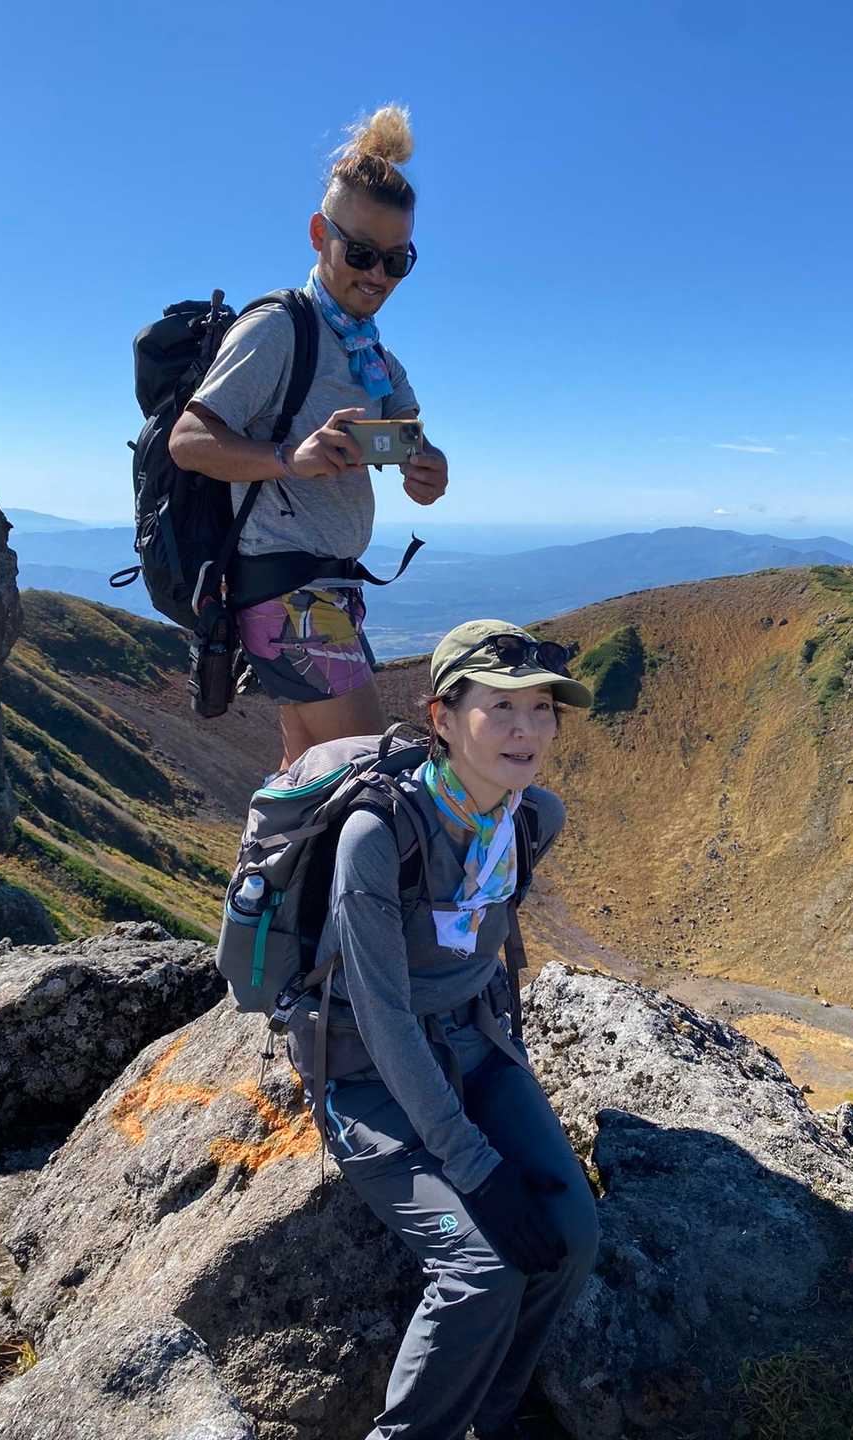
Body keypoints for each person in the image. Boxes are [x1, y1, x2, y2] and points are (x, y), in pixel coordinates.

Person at [287, 619, 600, 1440]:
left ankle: (495, 1415)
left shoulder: (532, 819)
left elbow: (480, 944)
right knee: (481, 1271)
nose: (527, 730)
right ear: (442, 718)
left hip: (475, 1044)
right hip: (366, 1068)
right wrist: (478, 1167)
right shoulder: (377, 836)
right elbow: (384, 1016)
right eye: (502, 708)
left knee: (572, 1238)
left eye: (543, 709)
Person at [169, 105, 448, 768]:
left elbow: (412, 447)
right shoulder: (276, 329)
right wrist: (288, 458)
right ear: (321, 234)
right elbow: (188, 439)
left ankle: (272, 843)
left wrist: (427, 470)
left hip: (328, 592)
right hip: (288, 591)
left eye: (396, 260)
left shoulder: (373, 357)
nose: (377, 275)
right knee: (373, 773)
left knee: (309, 782)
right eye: (361, 253)